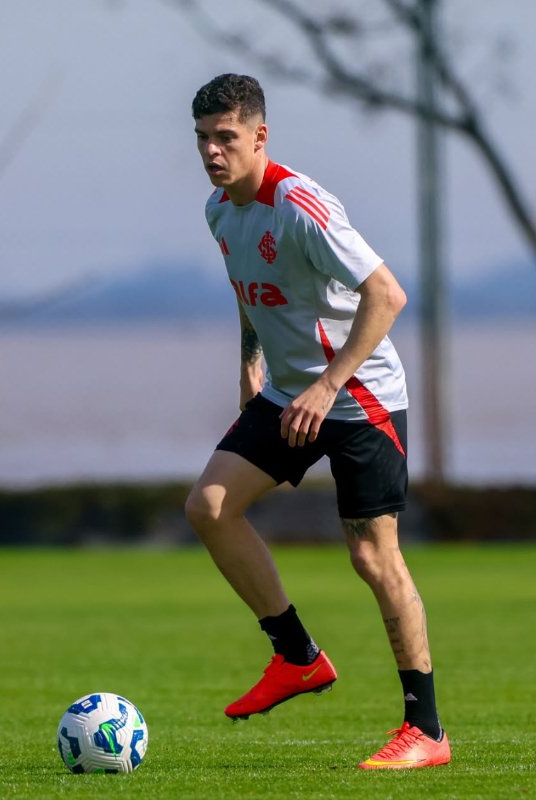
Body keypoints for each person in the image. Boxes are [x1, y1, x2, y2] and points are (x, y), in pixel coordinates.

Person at [184, 73, 450, 770]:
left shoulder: (302, 205)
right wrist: (251, 362)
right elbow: (251, 292)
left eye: (226, 138)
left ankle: (426, 731)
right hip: (291, 394)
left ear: (260, 137)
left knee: (372, 557)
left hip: (359, 398)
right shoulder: (220, 211)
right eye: (203, 139)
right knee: (209, 507)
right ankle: (298, 657)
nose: (213, 152)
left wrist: (329, 386)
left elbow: (386, 295)